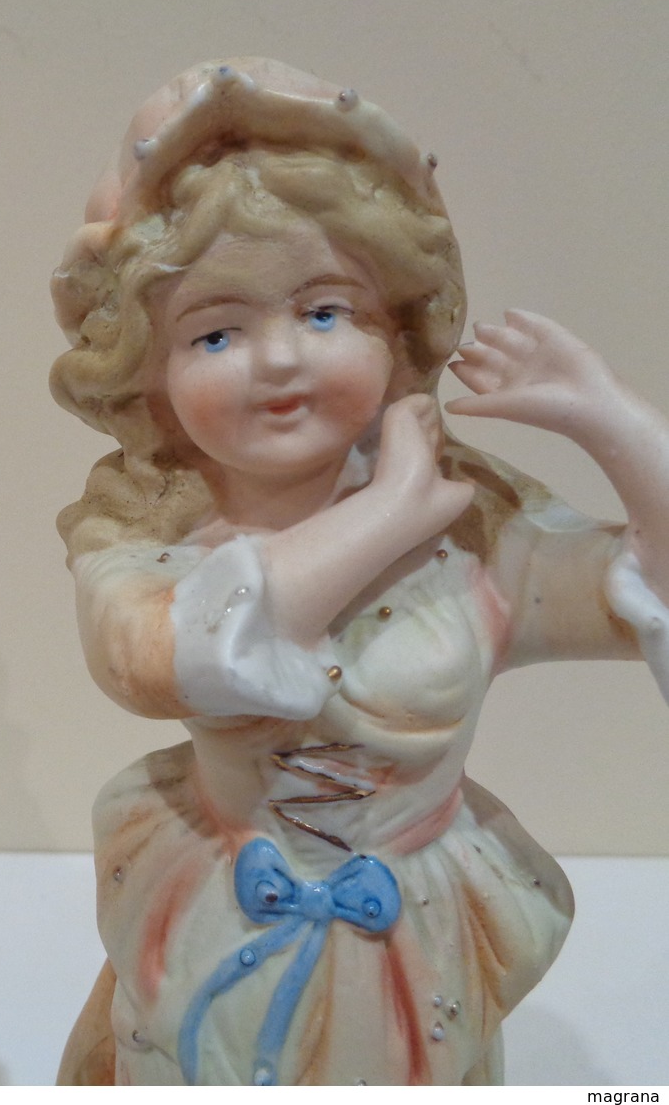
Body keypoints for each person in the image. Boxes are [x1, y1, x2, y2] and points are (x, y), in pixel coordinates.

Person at [50, 58, 669, 1086]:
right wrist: (383, 514)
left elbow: (643, 582)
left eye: (325, 311)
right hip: (219, 898)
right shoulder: (138, 532)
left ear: (396, 326)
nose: (280, 359)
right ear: (148, 372)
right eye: (215, 331)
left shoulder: (471, 530)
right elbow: (165, 656)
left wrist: (610, 421)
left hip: (412, 923)